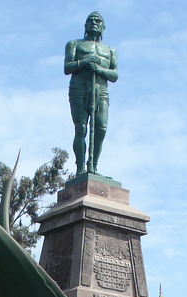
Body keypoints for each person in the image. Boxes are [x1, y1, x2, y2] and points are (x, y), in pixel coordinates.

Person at [64, 11, 118, 175]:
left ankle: (93, 166)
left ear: (103, 27)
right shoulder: (74, 44)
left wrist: (100, 69)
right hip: (79, 87)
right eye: (91, 20)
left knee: (101, 128)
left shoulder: (109, 50)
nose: (94, 23)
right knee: (81, 128)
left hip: (100, 88)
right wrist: (86, 61)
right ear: (85, 26)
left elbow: (114, 75)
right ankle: (80, 168)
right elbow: (67, 67)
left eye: (98, 21)